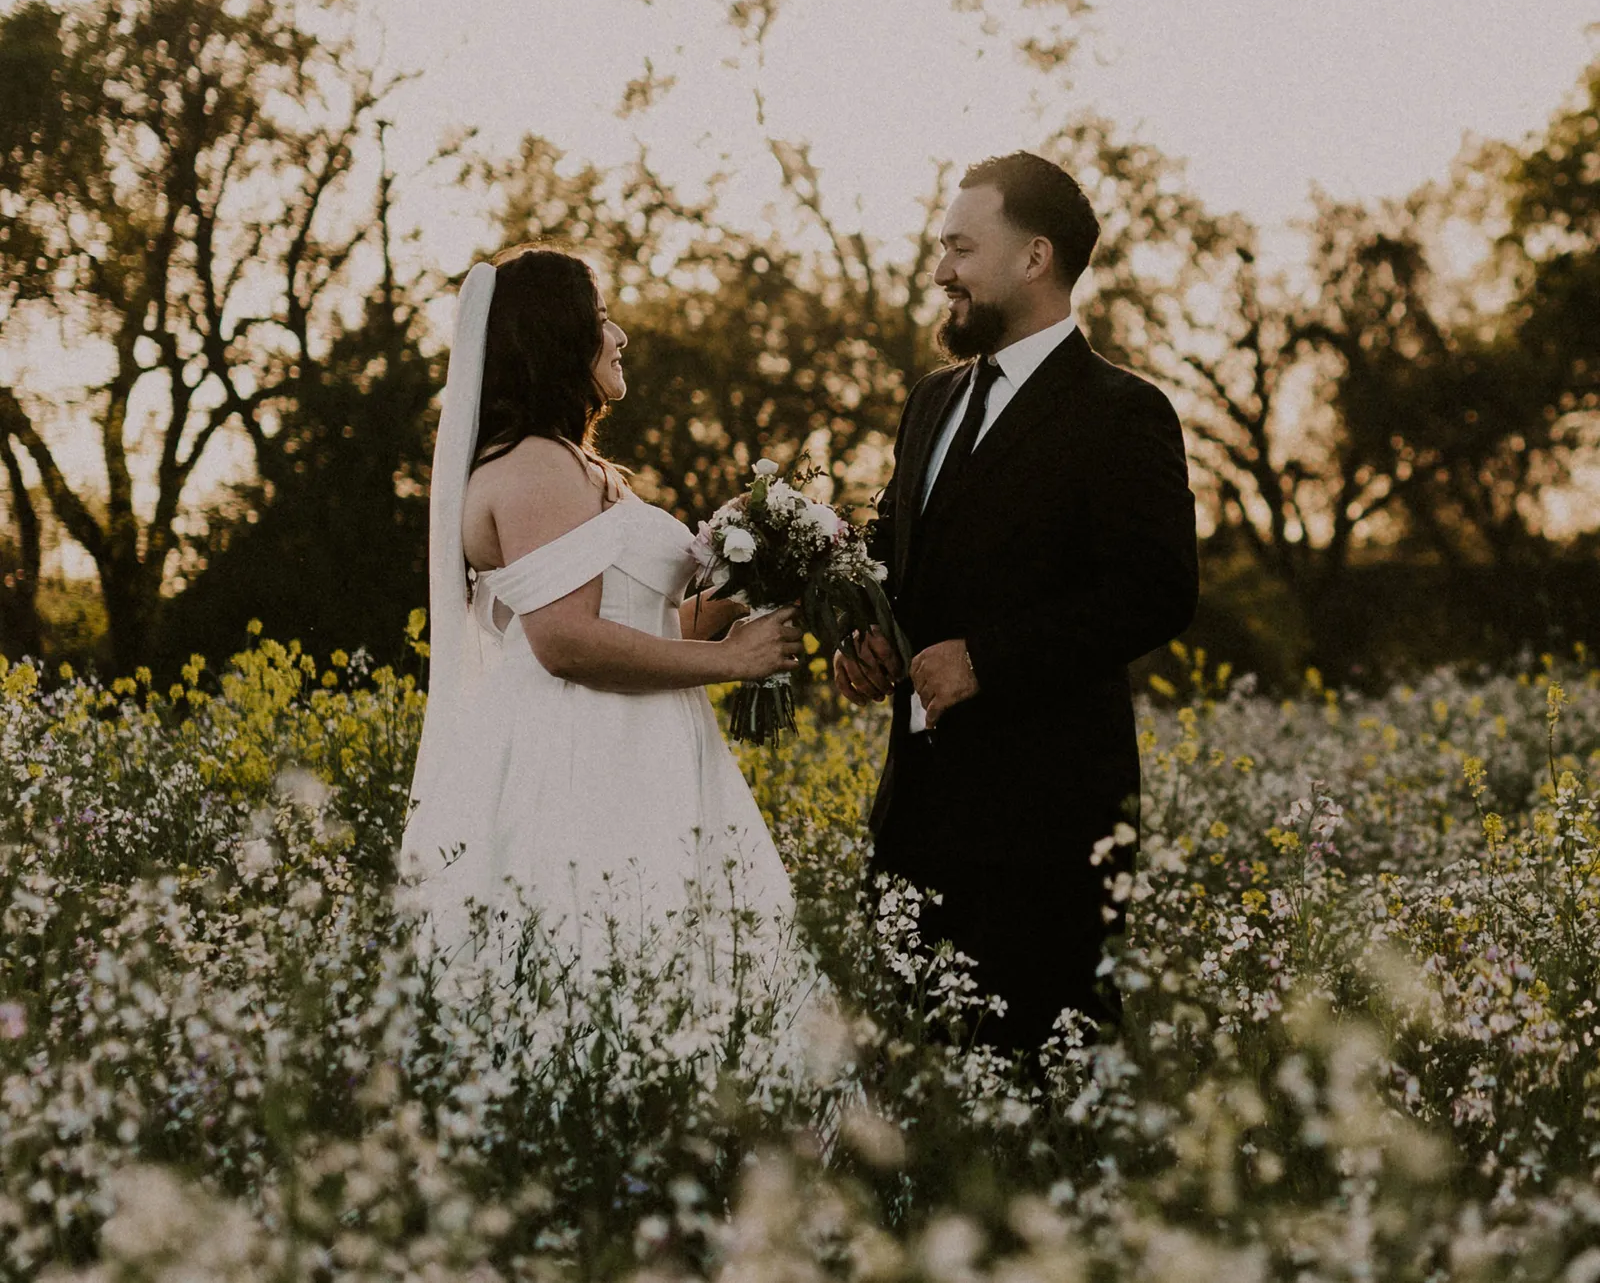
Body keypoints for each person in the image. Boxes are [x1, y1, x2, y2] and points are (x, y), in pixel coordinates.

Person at [834, 151, 1199, 1057]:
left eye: (961, 248)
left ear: (1036, 257)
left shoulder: (1123, 411)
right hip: (914, 813)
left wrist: (985, 660)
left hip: (1049, 825)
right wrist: (861, 633)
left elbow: (1156, 592)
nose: (940, 271)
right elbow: (897, 554)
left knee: (1037, 1085)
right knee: (909, 1086)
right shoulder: (930, 401)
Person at [401, 245, 805, 967]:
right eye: (601, 318)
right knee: (604, 947)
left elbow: (640, 626)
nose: (618, 336)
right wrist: (730, 661)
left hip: (639, 734)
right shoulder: (533, 464)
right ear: (557, 337)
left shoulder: (574, 463)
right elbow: (565, 641)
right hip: (584, 753)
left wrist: (753, 583)